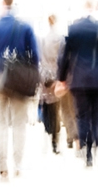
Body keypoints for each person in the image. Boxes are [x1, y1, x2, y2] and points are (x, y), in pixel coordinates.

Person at [0, 0, 39, 179]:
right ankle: (18, 165)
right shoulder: (26, 27)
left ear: (3, 6)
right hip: (19, 79)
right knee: (20, 123)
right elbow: (35, 56)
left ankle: (3, 168)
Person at [56, 0, 98, 167]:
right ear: (94, 9)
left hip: (79, 79)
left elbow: (65, 56)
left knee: (81, 115)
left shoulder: (73, 29)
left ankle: (85, 147)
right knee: (96, 114)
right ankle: (95, 140)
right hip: (97, 78)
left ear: (83, 9)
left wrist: (61, 78)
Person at [39, 14, 64, 154]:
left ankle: (47, 132)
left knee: (46, 107)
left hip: (44, 77)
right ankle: (55, 141)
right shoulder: (59, 37)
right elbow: (62, 58)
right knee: (55, 110)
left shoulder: (43, 38)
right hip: (55, 76)